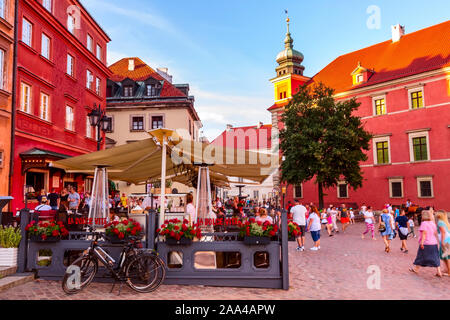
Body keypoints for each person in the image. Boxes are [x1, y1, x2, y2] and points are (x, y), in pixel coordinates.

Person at [409, 210, 443, 277]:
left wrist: (421, 243)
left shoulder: (424, 223)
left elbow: (424, 234)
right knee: (435, 257)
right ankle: (439, 271)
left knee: (421, 256)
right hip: (433, 243)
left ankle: (416, 269)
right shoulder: (433, 223)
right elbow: (435, 233)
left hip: (426, 243)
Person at [436, 210, 450, 276]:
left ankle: (449, 271)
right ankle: (447, 270)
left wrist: (442, 241)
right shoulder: (444, 222)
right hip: (448, 240)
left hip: (445, 241)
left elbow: (443, 232)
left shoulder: (440, 222)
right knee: (446, 257)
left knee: (446, 257)